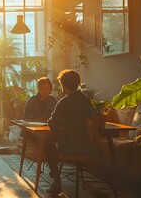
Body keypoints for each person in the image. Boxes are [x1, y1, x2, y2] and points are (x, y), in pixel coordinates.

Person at [44, 69, 95, 197]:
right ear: (78, 83)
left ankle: (56, 181)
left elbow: (52, 123)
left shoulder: (64, 102)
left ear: (63, 85)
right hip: (89, 147)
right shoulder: (86, 100)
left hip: (70, 148)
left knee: (48, 144)